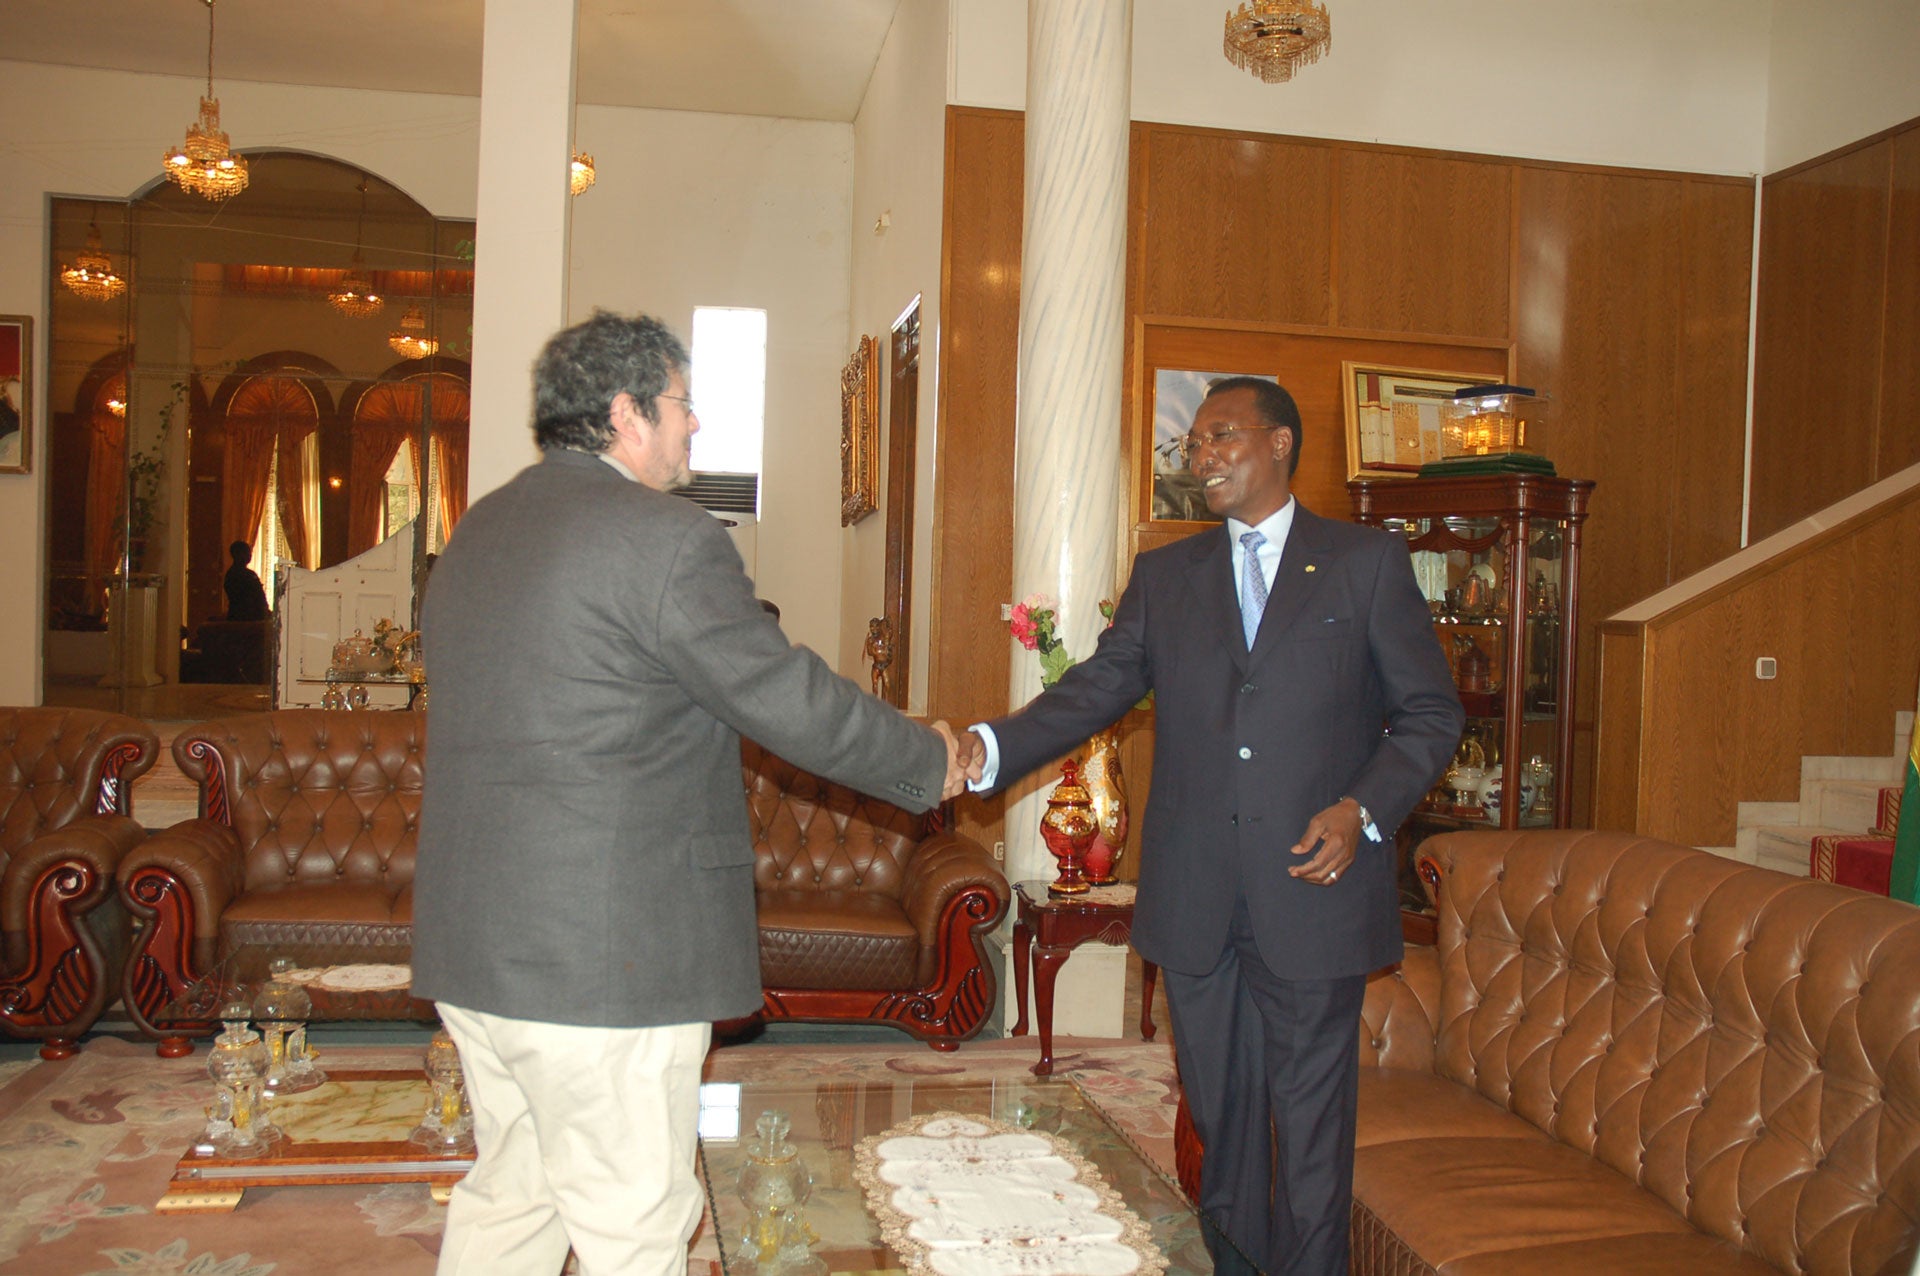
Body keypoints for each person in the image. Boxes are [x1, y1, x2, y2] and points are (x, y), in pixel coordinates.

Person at [411, 310, 972, 1276]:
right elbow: (782, 696)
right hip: (601, 962)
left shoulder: (479, 529)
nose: (695, 426)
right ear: (627, 415)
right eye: (682, 405)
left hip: (476, 945)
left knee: (516, 1194)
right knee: (635, 1221)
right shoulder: (666, 540)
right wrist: (927, 755)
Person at [963, 376, 1463, 1276]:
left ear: (1280, 444)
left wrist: (1363, 809)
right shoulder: (1168, 576)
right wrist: (989, 749)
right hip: (1197, 904)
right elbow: (1098, 690)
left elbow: (1430, 714)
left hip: (1314, 894)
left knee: (1309, 1132)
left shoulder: (1364, 564)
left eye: (1220, 435)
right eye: (1193, 444)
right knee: (1224, 1125)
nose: (1201, 456)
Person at [222, 540, 269, 621]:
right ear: (237, 554)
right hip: (248, 619)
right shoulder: (246, 575)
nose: (250, 556)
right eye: (247, 553)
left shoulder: (230, 573)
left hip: (238, 617)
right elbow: (257, 598)